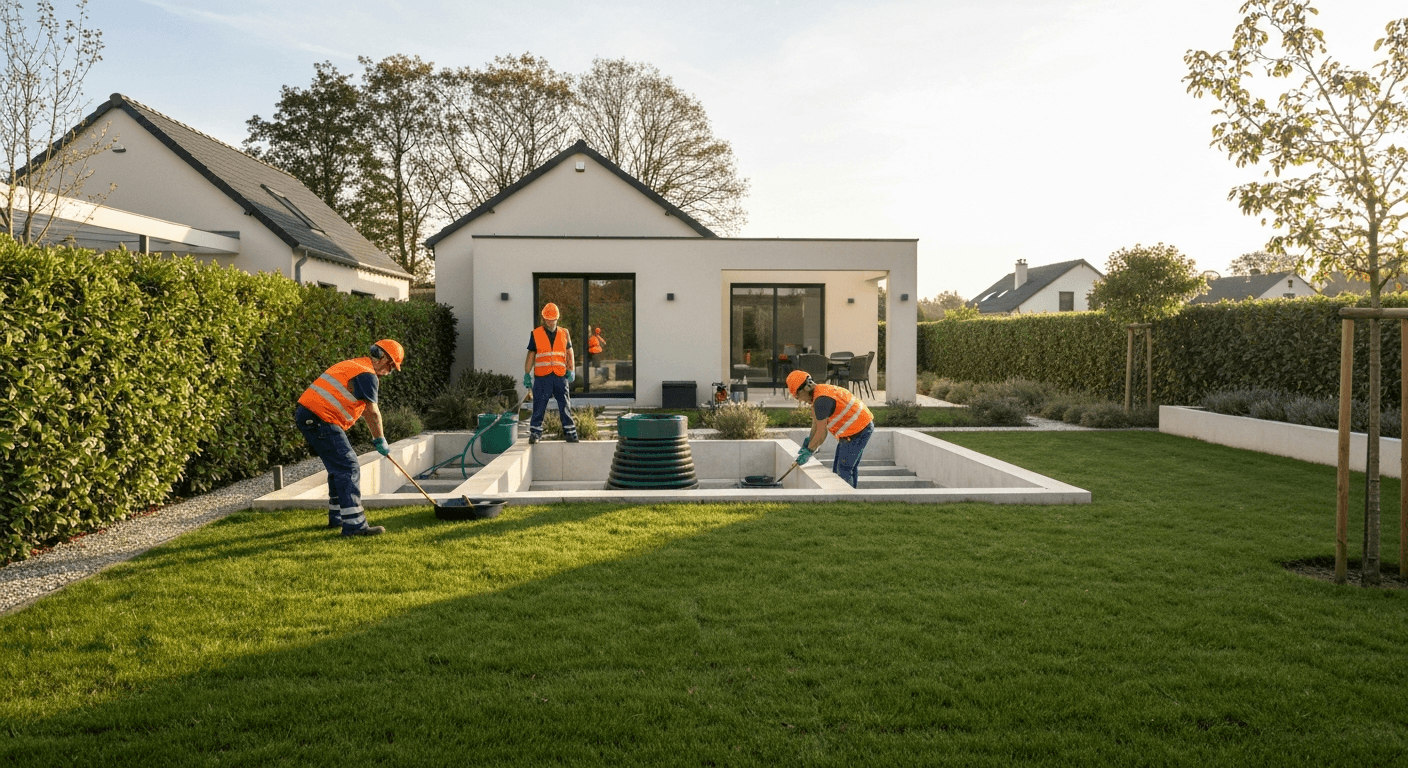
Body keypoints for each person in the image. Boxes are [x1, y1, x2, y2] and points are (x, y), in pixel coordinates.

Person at [294, 339, 405, 537]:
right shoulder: (367, 375)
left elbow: (360, 408)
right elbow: (371, 412)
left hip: (311, 416)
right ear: (386, 359)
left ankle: (337, 517)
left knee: (338, 467)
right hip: (321, 419)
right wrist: (380, 439)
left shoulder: (354, 365)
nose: (389, 372)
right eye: (392, 367)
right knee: (348, 466)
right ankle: (354, 525)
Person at [786, 369, 875, 488]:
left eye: (798, 397)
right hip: (855, 429)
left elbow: (822, 434)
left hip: (858, 430)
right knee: (842, 468)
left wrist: (809, 451)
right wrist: (808, 444)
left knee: (843, 470)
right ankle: (851, 496)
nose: (801, 401)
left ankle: (846, 500)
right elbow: (816, 426)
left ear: (806, 388)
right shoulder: (819, 394)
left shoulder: (822, 401)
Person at [524, 303, 577, 444]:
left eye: (553, 319)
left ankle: (570, 433)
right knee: (539, 405)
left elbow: (569, 352)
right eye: (548, 319)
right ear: (543, 318)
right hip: (542, 376)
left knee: (564, 404)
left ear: (557, 318)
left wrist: (571, 369)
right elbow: (531, 354)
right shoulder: (536, 333)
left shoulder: (564, 333)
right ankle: (535, 434)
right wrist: (527, 373)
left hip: (560, 375)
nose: (550, 321)